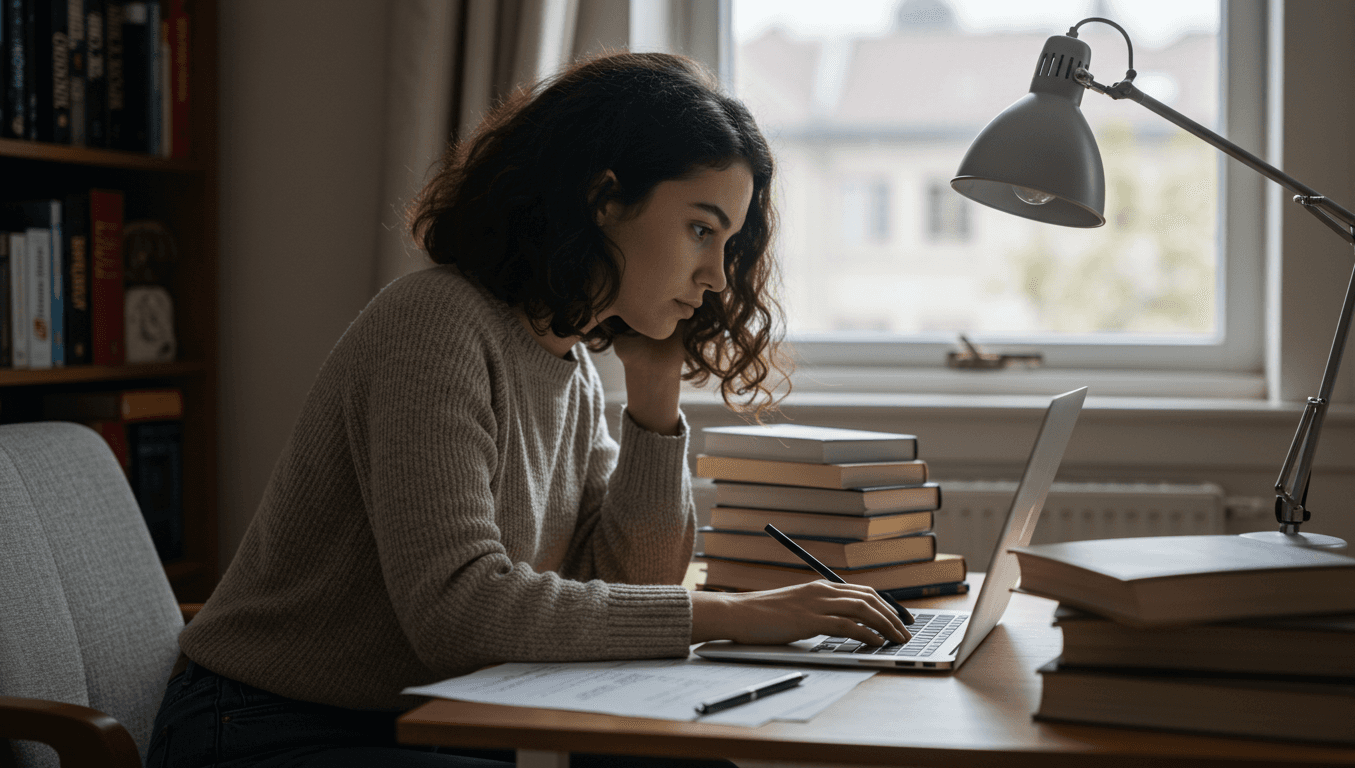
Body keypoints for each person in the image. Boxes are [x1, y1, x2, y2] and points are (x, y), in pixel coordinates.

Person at [146, 52, 912, 768]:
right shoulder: (436, 323)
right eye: (701, 229)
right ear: (604, 199)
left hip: (420, 720)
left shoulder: (567, 360)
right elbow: (457, 611)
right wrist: (735, 615)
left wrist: (653, 400)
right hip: (262, 727)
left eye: (728, 242)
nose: (715, 275)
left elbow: (629, 583)